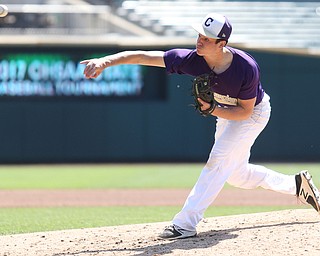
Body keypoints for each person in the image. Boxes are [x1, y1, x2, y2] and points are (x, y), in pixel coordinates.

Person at [80, 13, 320, 240]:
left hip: (253, 113)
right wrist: (105, 61)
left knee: (218, 160)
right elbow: (144, 56)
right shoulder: (191, 60)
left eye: (207, 38)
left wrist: (212, 109)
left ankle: (185, 223)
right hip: (226, 114)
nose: (200, 41)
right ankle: (296, 185)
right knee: (236, 175)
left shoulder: (245, 67)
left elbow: (245, 112)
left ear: (221, 43)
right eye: (199, 35)